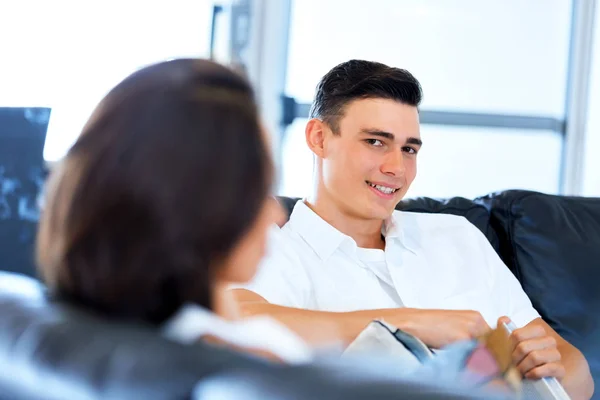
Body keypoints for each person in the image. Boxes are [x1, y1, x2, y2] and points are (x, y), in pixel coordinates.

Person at [231, 59, 593, 399]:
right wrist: (413, 325)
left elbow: (580, 377)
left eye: (409, 149)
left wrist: (548, 369)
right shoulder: (270, 253)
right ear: (319, 138)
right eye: (376, 142)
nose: (397, 168)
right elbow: (235, 324)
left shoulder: (457, 236)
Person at [35, 58, 315, 364]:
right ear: (199, 207)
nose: (277, 214)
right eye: (259, 191)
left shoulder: (60, 326)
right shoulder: (258, 364)